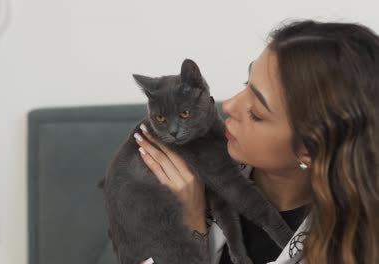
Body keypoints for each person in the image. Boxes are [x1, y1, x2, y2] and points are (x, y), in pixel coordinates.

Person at [135, 19, 379, 264]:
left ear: (310, 149)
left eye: (257, 113)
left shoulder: (345, 249)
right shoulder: (186, 174)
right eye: (247, 84)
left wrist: (191, 228)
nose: (229, 105)